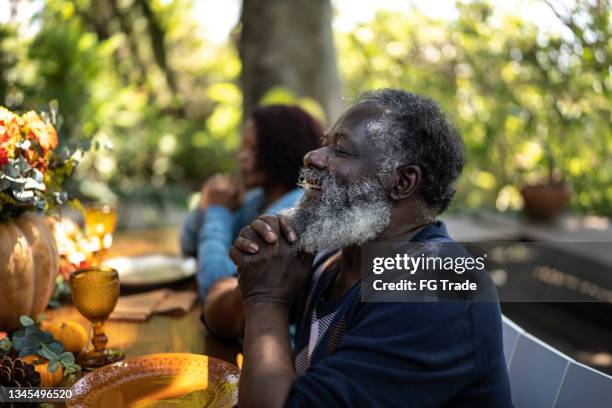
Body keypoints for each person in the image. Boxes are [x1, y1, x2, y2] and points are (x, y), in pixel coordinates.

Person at [204, 89, 513, 407]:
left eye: (340, 149)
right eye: (325, 142)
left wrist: (265, 298)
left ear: (403, 182)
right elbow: (216, 314)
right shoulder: (335, 256)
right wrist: (258, 272)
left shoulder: (437, 287)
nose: (313, 156)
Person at [180, 105, 322, 300]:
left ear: (282, 149)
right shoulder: (258, 200)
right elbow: (189, 246)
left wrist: (217, 210)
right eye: (243, 146)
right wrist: (206, 202)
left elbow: (214, 285)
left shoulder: (290, 213)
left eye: (253, 148)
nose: (242, 157)